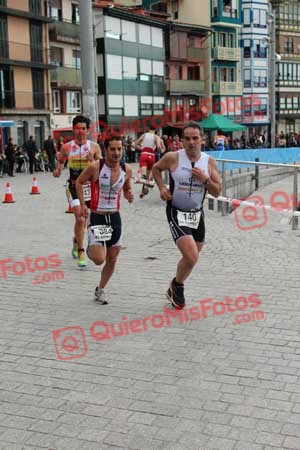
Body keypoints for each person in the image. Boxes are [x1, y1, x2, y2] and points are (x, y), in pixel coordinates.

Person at [152, 123, 221, 309]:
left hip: (196, 214)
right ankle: (179, 288)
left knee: (193, 257)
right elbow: (156, 169)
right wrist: (162, 188)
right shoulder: (173, 157)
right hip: (176, 210)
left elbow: (217, 191)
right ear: (181, 140)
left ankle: (174, 284)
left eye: (195, 138)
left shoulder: (209, 162)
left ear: (202, 140)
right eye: (187, 138)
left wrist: (205, 180)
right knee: (190, 256)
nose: (191, 142)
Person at [75, 136, 134, 304]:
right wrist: (83, 204)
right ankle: (90, 249)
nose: (116, 153)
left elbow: (127, 187)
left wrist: (129, 195)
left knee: (113, 257)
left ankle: (100, 289)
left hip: (114, 217)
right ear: (106, 150)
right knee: (99, 259)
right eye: (112, 149)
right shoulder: (96, 167)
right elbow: (79, 182)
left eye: (119, 149)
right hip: (98, 216)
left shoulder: (127, 169)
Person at [53, 115, 102, 268]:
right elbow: (61, 161)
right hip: (73, 187)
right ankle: (81, 250)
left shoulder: (94, 147)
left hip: (89, 188)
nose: (80, 131)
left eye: (83, 128)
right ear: (73, 129)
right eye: (77, 128)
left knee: (85, 219)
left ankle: (76, 240)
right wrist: (58, 170)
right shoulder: (67, 147)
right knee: (80, 218)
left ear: (87, 130)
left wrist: (91, 161)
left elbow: (100, 168)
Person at [135, 126, 163, 199]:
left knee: (144, 175)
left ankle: (143, 175)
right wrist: (160, 151)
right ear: (156, 130)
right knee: (147, 178)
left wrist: (142, 148)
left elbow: (135, 144)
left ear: (148, 129)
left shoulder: (144, 135)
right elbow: (159, 147)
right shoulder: (156, 137)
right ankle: (144, 191)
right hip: (151, 156)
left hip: (144, 154)